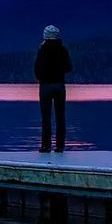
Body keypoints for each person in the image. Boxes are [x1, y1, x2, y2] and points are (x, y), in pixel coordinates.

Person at [34, 24, 72, 152]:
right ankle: (60, 146)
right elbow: (68, 67)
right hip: (59, 85)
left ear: (45, 36)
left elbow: (37, 69)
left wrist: (42, 76)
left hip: (45, 86)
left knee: (46, 117)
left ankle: (46, 145)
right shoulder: (63, 49)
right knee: (60, 116)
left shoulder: (42, 49)